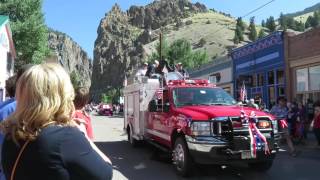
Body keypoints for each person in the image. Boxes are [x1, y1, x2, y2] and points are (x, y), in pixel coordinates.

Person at [1, 63, 113, 180]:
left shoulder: (11, 134)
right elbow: (106, 173)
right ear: (62, 95)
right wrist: (84, 135)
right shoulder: (65, 137)